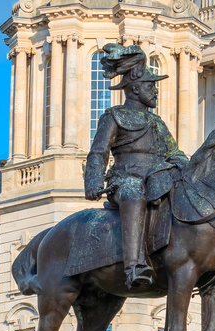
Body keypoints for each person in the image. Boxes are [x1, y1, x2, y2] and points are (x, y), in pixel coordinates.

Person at [84, 43, 188, 289]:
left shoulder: (157, 123)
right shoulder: (114, 116)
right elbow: (98, 152)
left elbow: (174, 152)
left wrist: (188, 168)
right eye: (150, 86)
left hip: (157, 178)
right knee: (134, 195)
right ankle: (134, 266)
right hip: (126, 178)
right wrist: (94, 180)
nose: (155, 91)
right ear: (135, 88)